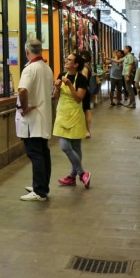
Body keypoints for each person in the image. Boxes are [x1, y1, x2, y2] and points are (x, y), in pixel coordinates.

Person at [16, 38, 54, 202]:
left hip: (32, 119)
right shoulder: (46, 68)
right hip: (43, 116)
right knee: (43, 152)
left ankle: (39, 191)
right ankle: (42, 186)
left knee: (35, 154)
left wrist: (24, 107)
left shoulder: (30, 69)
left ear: (27, 52)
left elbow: (23, 89)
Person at [52, 52, 90, 188]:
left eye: (69, 60)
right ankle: (82, 173)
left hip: (75, 115)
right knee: (64, 146)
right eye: (66, 59)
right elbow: (56, 96)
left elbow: (79, 98)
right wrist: (56, 88)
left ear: (76, 64)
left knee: (75, 146)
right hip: (62, 114)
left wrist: (69, 85)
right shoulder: (61, 76)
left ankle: (72, 177)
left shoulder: (81, 79)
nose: (66, 61)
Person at [77, 50, 93, 137]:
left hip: (84, 90)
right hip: (87, 90)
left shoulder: (84, 67)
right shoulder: (89, 66)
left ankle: (87, 130)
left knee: (85, 110)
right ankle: (87, 130)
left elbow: (84, 80)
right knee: (87, 110)